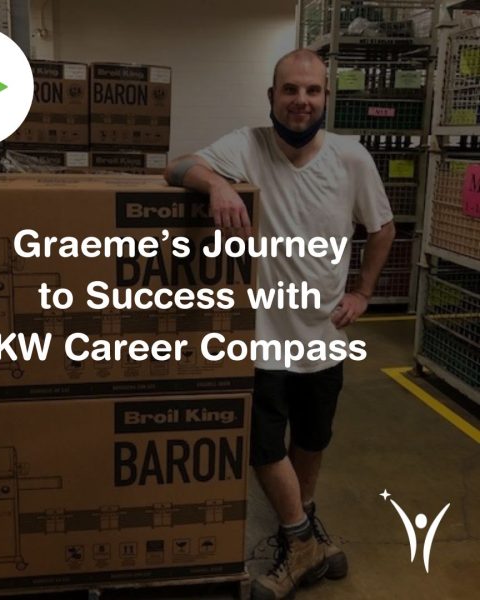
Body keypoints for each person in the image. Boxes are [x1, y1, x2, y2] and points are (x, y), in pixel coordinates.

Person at [164, 49, 396, 600]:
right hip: (262, 338)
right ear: (272, 97)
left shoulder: (351, 157)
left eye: (312, 92)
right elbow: (175, 165)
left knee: (312, 440)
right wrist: (217, 185)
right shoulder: (247, 146)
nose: (301, 101)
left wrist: (363, 291)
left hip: (325, 335)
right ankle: (303, 540)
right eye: (290, 90)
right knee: (262, 445)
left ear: (325, 99)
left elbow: (381, 228)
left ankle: (301, 538)